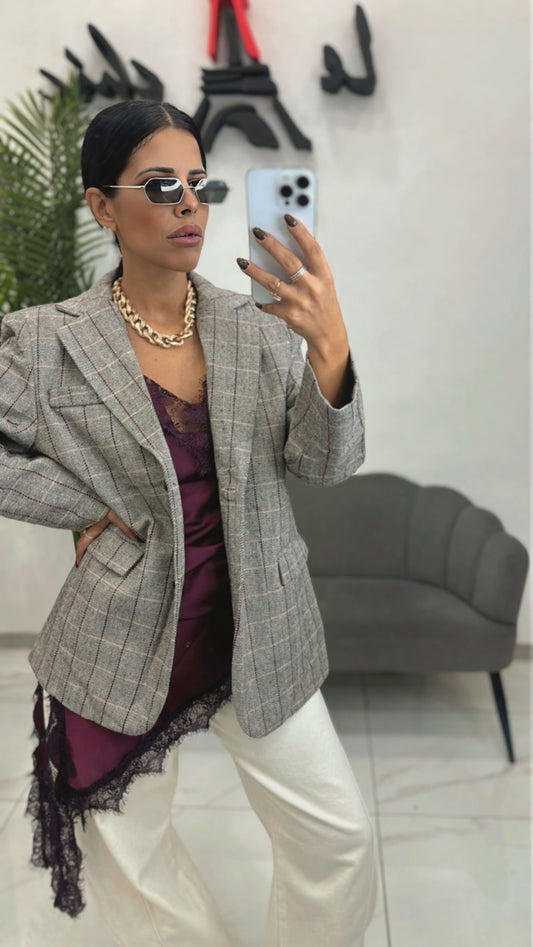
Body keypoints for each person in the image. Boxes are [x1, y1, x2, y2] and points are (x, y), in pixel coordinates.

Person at [0, 99, 376, 946]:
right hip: (122, 636)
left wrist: (330, 352)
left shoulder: (257, 327)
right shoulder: (45, 341)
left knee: (339, 839)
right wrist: (83, 500)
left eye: (198, 184)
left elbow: (324, 464)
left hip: (260, 628)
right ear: (102, 205)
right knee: (135, 864)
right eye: (160, 185)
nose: (188, 205)